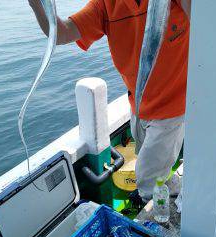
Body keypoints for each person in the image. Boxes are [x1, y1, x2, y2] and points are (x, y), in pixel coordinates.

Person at [29, 0, 191, 204]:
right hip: (139, 105)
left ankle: (156, 216)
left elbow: (200, 17)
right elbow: (61, 33)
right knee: (150, 161)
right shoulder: (105, 5)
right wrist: (37, 5)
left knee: (147, 180)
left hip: (173, 107)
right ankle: (169, 185)